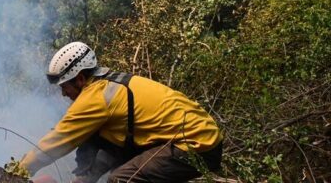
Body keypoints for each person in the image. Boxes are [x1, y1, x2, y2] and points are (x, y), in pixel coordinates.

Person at [20, 42, 223, 183]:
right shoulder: (108, 83)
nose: (64, 93)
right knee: (99, 144)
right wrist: (85, 177)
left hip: (196, 144)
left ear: (80, 79)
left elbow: (59, 140)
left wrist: (17, 173)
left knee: (121, 179)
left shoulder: (95, 98)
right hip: (193, 137)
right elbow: (105, 145)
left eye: (65, 86)